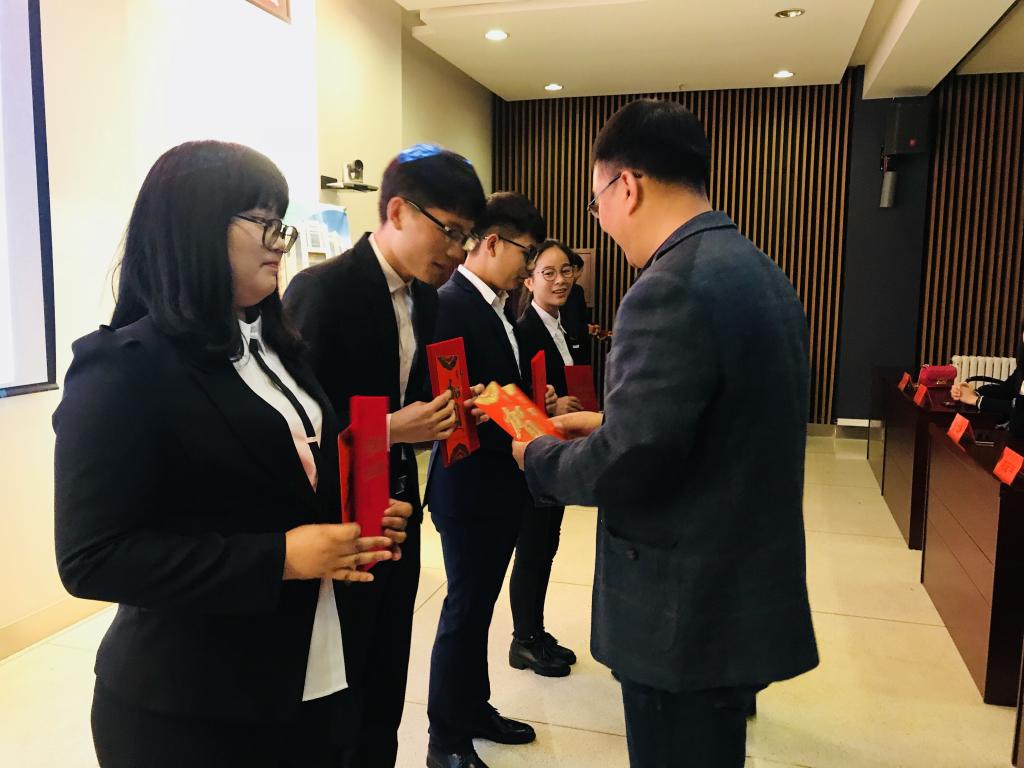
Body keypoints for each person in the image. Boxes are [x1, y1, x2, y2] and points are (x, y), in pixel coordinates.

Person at [53, 140, 410, 767]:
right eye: (263, 222)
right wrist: (281, 558)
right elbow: (93, 559)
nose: (281, 243)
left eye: (282, 224)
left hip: (309, 667)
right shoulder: (123, 366)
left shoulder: (275, 344)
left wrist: (350, 521)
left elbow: (282, 482)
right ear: (193, 226)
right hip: (191, 702)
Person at [512, 99, 819, 768]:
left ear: (626, 185)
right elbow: (720, 419)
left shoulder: (668, 287)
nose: (601, 220)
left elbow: (628, 463)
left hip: (681, 605)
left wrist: (538, 453)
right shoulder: (756, 268)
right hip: (736, 584)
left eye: (597, 202)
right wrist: (608, 419)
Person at [283, 143, 486, 768]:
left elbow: (411, 400)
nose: (458, 252)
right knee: (340, 678)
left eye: (466, 237)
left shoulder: (427, 298)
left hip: (399, 506)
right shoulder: (322, 290)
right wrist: (391, 429)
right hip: (340, 518)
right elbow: (297, 425)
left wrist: (448, 413)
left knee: (388, 664)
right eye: (450, 232)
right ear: (397, 211)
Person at [425, 192, 550, 768]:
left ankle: (474, 709)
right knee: (465, 610)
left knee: (478, 609)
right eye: (527, 253)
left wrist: (539, 410)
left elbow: (495, 391)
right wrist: (522, 419)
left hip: (500, 483)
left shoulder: (498, 305)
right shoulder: (450, 305)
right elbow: (453, 404)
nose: (530, 267)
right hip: (469, 485)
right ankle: (445, 739)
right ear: (494, 242)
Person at [507, 240, 587, 677]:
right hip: (533, 456)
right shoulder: (524, 331)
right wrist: (551, 408)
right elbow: (514, 399)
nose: (560, 280)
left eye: (567, 270)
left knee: (546, 547)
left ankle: (535, 631)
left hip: (557, 453)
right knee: (534, 548)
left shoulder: (564, 325)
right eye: (549, 273)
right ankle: (524, 639)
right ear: (529, 280)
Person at [951, 332, 1024, 436]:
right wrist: (973, 392)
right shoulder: (1022, 366)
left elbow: (1018, 410)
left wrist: (976, 400)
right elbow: (1005, 390)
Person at [557, 249, 592, 364]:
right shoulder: (575, 290)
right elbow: (572, 322)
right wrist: (587, 329)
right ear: (576, 269)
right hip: (574, 344)